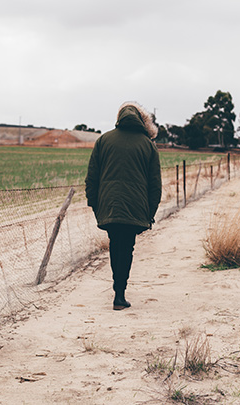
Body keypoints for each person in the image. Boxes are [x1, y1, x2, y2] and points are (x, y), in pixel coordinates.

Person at [85, 101, 162, 311]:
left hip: (108, 205)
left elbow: (91, 178)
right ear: (141, 119)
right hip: (136, 207)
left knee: (115, 245)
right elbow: (155, 185)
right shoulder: (148, 145)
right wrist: (150, 213)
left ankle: (117, 290)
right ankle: (120, 294)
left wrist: (95, 205)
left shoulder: (104, 140)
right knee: (126, 248)